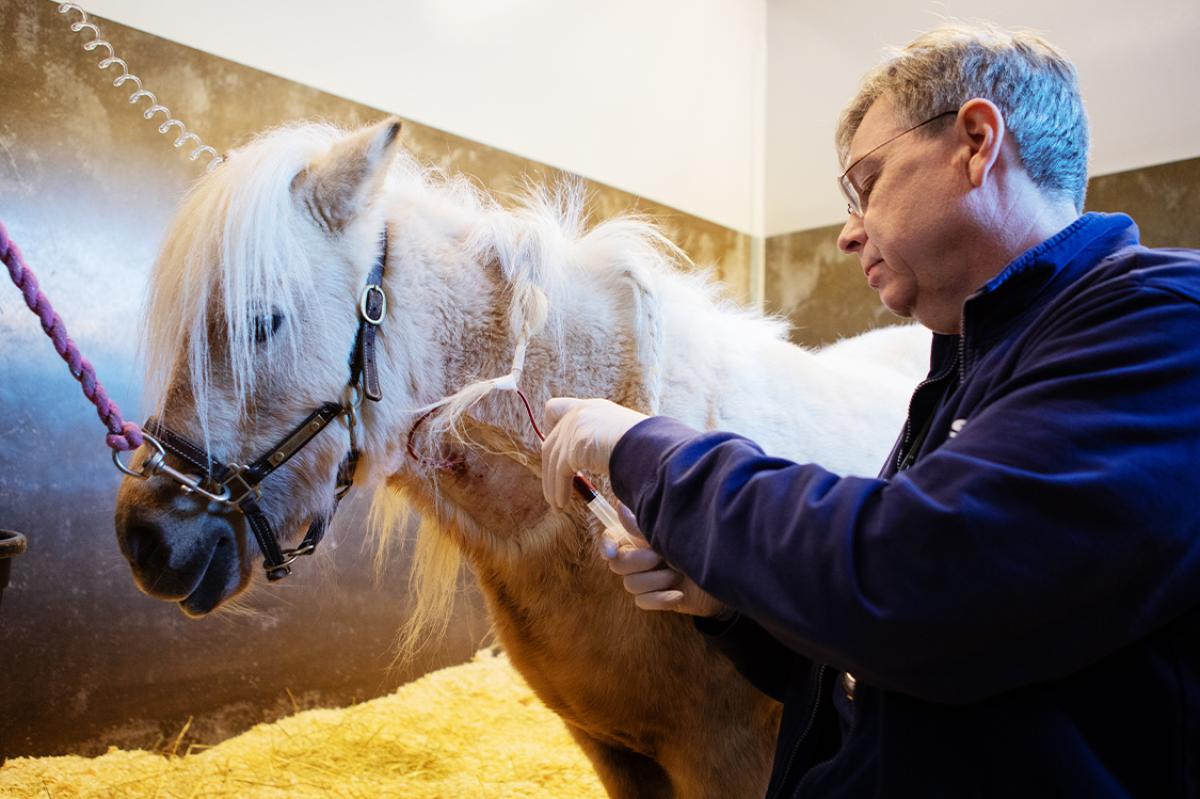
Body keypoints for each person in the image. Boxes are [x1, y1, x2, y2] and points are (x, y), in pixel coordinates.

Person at [540, 22, 1200, 798]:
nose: (850, 233)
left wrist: (647, 450)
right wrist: (728, 606)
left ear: (977, 141)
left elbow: (915, 580)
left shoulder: (1163, 323)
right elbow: (879, 665)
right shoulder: (967, 363)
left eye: (867, 183)